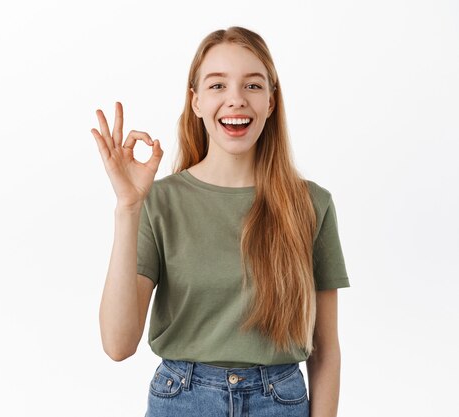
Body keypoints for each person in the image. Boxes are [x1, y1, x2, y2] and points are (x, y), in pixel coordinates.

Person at [91, 26, 350, 417]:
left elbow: (326, 349)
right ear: (195, 102)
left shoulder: (312, 204)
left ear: (271, 102)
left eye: (252, 85)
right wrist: (128, 208)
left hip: (280, 402)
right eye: (217, 86)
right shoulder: (158, 202)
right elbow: (118, 344)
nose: (236, 100)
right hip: (182, 399)